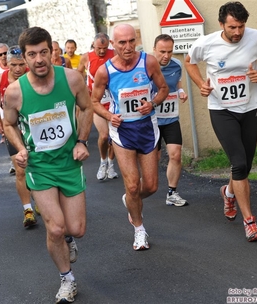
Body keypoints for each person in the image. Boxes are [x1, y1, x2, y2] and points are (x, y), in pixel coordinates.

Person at [3, 27, 93, 303]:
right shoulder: (15, 92)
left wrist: (82, 141)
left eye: (44, 52)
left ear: (51, 52)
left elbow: (87, 107)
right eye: (32, 54)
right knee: (54, 227)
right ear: (24, 58)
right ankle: (67, 279)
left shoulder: (72, 78)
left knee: (75, 229)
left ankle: (67, 239)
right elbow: (8, 123)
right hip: (39, 167)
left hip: (68, 162)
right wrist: (20, 149)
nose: (39, 59)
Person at [184, 1, 257, 242]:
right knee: (238, 163)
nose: (237, 32)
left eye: (241, 26)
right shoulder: (206, 43)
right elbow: (189, 61)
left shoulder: (255, 38)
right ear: (222, 24)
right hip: (222, 110)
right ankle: (250, 221)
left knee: (246, 165)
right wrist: (200, 84)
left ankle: (228, 191)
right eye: (233, 27)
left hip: (249, 108)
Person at [91, 24, 169, 251]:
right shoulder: (105, 71)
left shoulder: (149, 62)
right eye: (122, 42)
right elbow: (94, 101)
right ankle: (139, 230)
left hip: (147, 129)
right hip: (122, 132)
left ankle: (130, 200)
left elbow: (163, 89)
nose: (127, 47)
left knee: (151, 186)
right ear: (112, 45)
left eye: (131, 41)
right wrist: (109, 116)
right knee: (133, 186)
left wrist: (152, 103)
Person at [0, 45, 37, 228]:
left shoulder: (32, 76)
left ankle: (40, 199)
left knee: (37, 165)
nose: (18, 69)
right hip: (12, 129)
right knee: (20, 169)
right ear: (7, 63)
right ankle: (28, 210)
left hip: (32, 127)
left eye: (21, 64)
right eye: (13, 65)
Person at [152, 34, 188, 207]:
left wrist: (181, 93)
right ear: (154, 50)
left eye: (170, 51)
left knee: (176, 154)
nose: (166, 56)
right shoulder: (146, 66)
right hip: (151, 119)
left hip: (171, 116)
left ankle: (172, 193)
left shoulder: (177, 65)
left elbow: (177, 84)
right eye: (162, 52)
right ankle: (138, 189)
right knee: (154, 159)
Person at [77, 33, 118, 180]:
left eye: (105, 48)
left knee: (114, 137)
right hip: (96, 102)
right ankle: (103, 162)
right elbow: (78, 74)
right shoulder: (86, 57)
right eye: (99, 48)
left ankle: (111, 164)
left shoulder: (114, 54)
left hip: (113, 102)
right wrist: (81, 90)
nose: (102, 51)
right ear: (93, 45)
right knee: (104, 135)